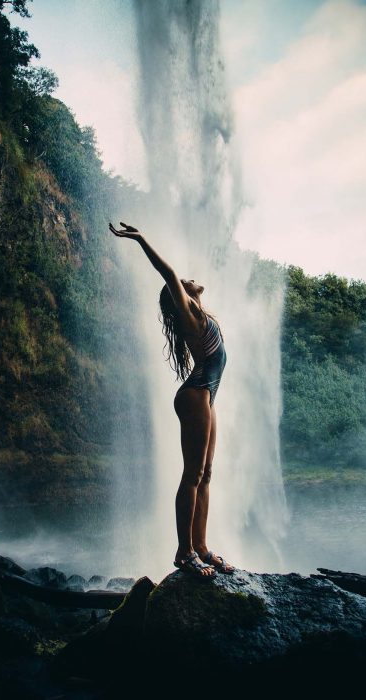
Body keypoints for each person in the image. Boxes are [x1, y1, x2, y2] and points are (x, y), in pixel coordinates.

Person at [109, 221, 235, 579]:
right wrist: (141, 239)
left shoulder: (202, 314)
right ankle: (184, 552)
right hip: (195, 396)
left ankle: (202, 546)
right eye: (185, 283)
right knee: (193, 473)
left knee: (206, 473)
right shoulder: (190, 314)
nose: (191, 279)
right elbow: (169, 273)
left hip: (207, 396)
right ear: (181, 295)